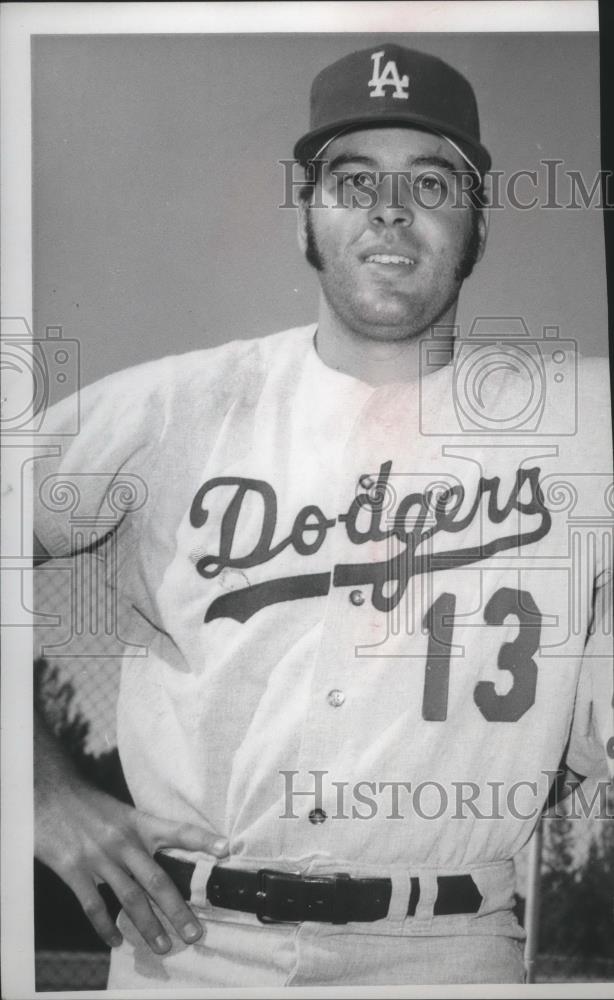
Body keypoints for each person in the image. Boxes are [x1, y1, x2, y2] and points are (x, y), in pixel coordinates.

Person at [33, 42, 613, 988]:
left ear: (479, 229)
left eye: (433, 183)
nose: (391, 209)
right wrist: (38, 787)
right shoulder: (172, 408)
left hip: (446, 950)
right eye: (353, 181)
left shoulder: (583, 420)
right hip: (185, 946)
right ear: (307, 217)